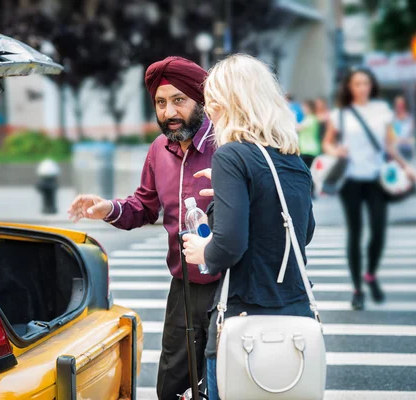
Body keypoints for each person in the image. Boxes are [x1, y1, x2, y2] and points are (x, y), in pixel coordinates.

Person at [67, 56, 219, 399]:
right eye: (161, 103)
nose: (169, 112)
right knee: (172, 383)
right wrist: (108, 208)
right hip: (184, 287)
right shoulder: (159, 150)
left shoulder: (227, 145)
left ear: (201, 100)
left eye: (178, 100)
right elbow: (143, 206)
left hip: (231, 284)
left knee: (221, 379)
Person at [181, 54, 316, 400]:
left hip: (245, 316)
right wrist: (233, 193)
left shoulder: (230, 157)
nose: (209, 113)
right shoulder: (293, 160)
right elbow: (304, 230)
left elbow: (229, 246)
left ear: (230, 104)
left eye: (213, 103)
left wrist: (200, 252)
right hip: (295, 313)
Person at [322, 67, 416, 310]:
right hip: (350, 180)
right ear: (350, 87)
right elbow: (328, 142)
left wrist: (406, 167)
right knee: (355, 233)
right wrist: (335, 151)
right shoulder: (340, 114)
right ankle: (357, 289)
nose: (362, 87)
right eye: (357, 83)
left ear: (371, 85)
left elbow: (390, 145)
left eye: (366, 83)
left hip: (376, 178)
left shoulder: (382, 111)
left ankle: (371, 274)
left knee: (378, 231)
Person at [298, 99, 322, 169]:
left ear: (308, 108)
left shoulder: (310, 118)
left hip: (308, 150)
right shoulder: (310, 118)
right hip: (309, 150)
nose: (302, 109)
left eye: (304, 107)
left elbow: (299, 128)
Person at [392, 95, 416, 162]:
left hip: (406, 149)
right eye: (397, 104)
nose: (399, 106)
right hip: (394, 151)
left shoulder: (410, 119)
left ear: (405, 105)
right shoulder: (391, 118)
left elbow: (411, 134)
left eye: (401, 104)